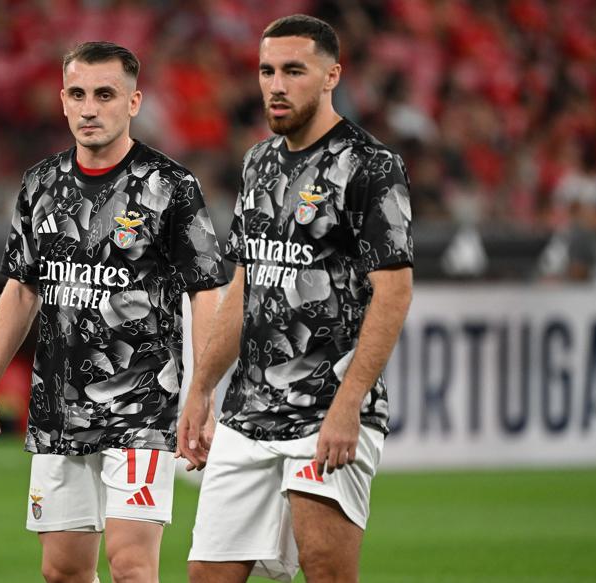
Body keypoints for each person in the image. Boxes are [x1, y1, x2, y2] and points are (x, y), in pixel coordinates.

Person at [0, 41, 227, 583]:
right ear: (62, 100)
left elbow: (206, 292)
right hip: (57, 409)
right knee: (61, 572)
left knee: (131, 566)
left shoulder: (171, 187)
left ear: (133, 102)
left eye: (105, 95)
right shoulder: (40, 184)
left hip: (141, 408)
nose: (89, 108)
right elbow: (22, 290)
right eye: (78, 94)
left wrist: (201, 393)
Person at [178, 15, 414, 583]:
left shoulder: (371, 166)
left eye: (293, 71)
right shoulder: (257, 163)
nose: (276, 85)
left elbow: (394, 291)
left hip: (326, 408)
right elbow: (244, 285)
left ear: (332, 76)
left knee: (325, 569)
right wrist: (202, 386)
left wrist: (350, 403)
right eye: (267, 71)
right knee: (207, 575)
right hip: (248, 411)